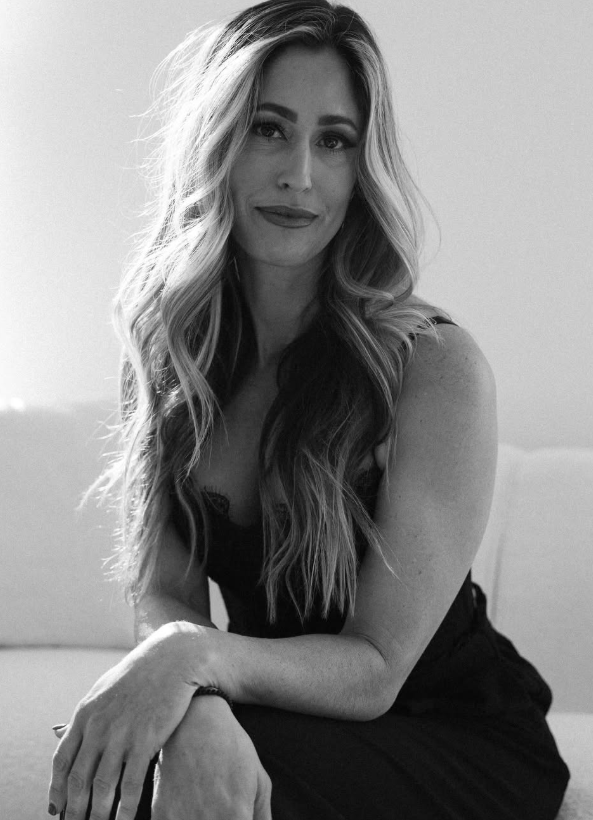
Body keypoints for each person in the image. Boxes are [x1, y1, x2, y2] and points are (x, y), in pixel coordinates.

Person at [48, 1, 570, 818]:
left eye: (333, 140)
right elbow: (163, 589)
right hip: (281, 711)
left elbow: (374, 668)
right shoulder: (169, 348)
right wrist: (199, 703)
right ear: (216, 138)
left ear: (362, 166)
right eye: (268, 128)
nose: (299, 173)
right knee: (122, 761)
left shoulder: (432, 368)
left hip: (454, 735)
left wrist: (194, 662)